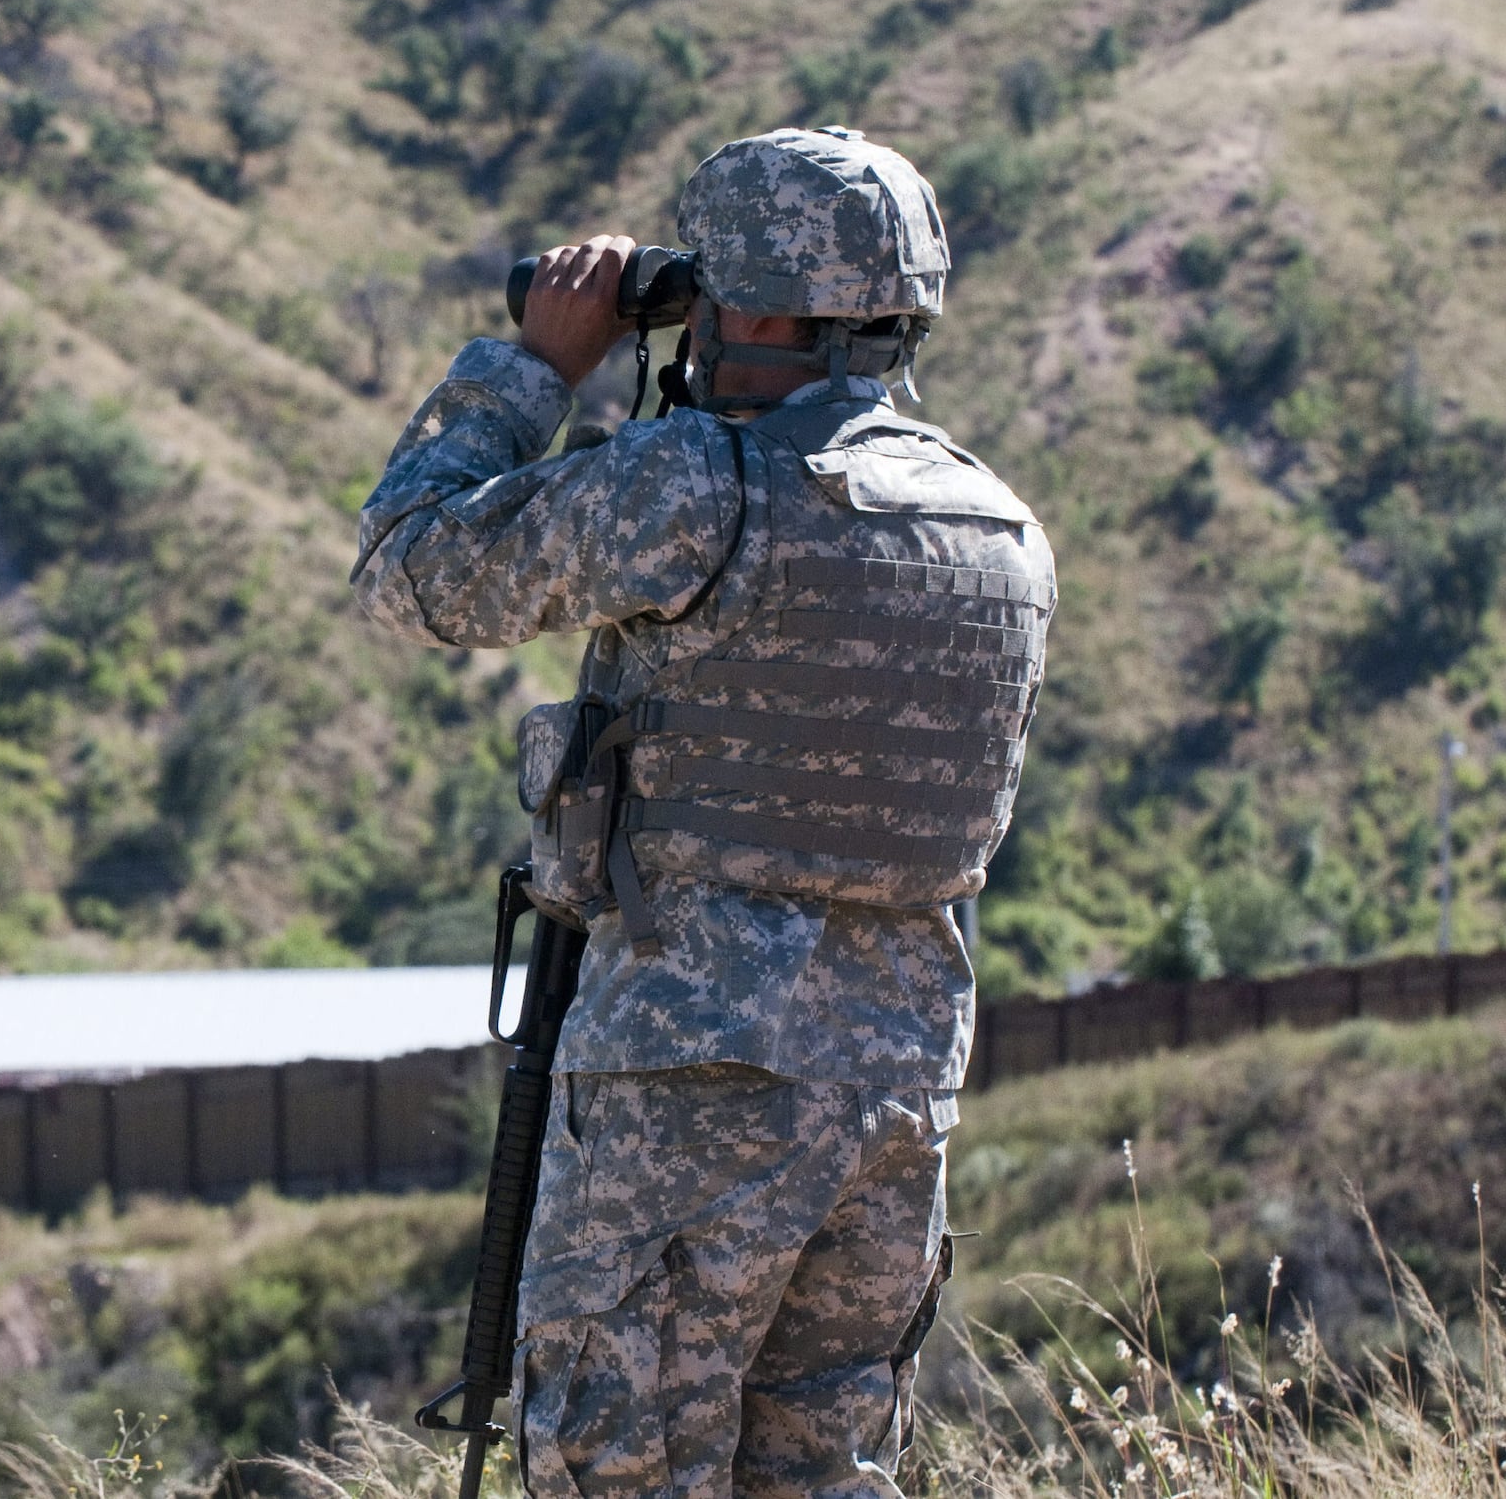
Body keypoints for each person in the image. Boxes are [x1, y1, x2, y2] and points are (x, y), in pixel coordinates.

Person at [351, 127, 1056, 1499]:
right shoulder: (999, 532)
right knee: (826, 1477)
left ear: (764, 312)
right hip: (898, 1095)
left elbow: (408, 566)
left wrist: (536, 366)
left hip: (690, 1089)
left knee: (616, 1471)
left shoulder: (698, 488)